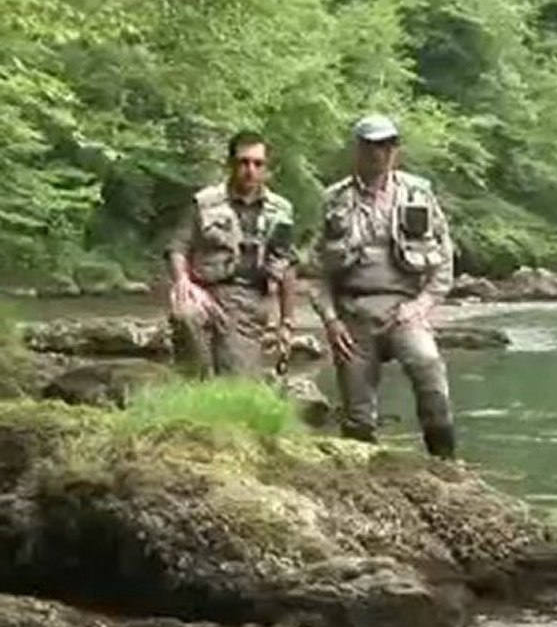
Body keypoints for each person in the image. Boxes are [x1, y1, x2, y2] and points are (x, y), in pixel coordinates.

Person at [310, 114, 456, 458]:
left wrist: (421, 306)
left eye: (388, 145)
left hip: (404, 311)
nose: (380, 153)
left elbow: (445, 262)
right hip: (353, 314)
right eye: (372, 145)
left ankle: (447, 463)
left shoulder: (419, 194)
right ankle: (362, 478)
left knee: (428, 367)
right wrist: (331, 321)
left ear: (396, 151)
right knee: (358, 417)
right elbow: (316, 274)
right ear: (358, 149)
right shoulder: (333, 201)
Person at [165, 130, 297, 378]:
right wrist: (183, 280)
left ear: (267, 167)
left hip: (249, 300)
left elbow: (287, 265)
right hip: (204, 291)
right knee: (185, 314)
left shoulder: (280, 211)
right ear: (230, 164)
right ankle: (194, 383)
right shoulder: (204, 202)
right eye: (243, 162)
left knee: (235, 381)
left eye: (258, 164)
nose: (250, 170)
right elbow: (178, 247)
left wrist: (286, 322)